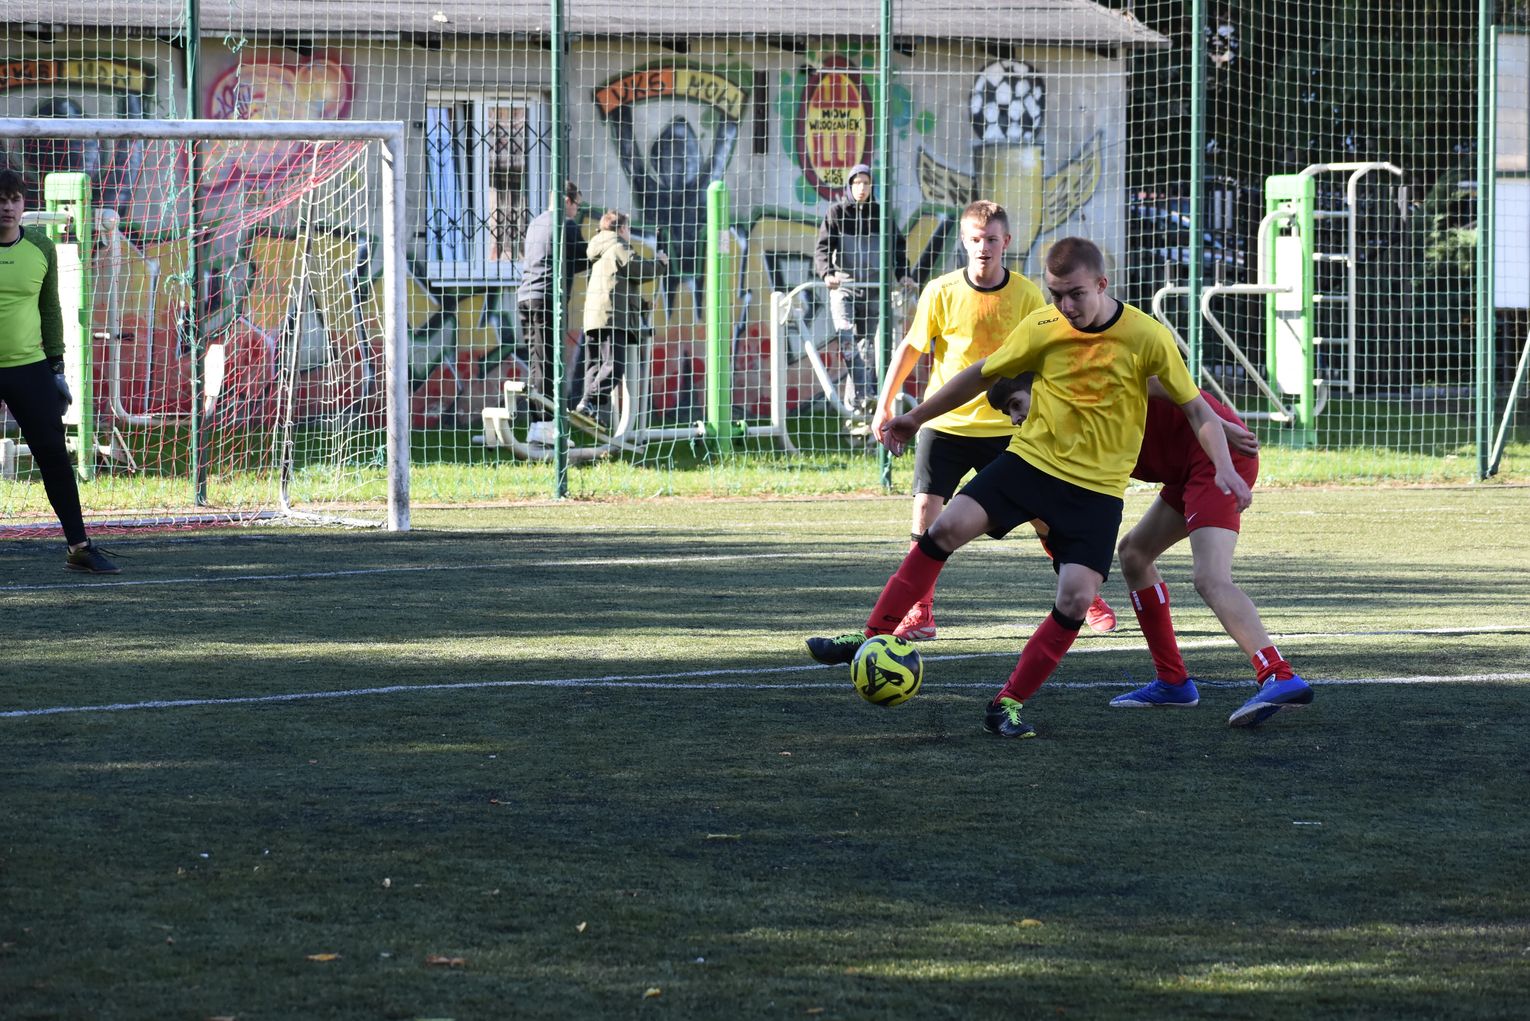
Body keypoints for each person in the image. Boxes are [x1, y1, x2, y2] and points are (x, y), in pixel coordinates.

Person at [805, 237, 1253, 740]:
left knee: (1076, 599)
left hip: (1097, 492)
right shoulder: (1043, 326)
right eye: (1056, 294)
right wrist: (915, 417)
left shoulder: (1147, 336)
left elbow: (1195, 408)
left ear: (1102, 284)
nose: (1066, 305)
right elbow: (979, 375)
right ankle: (870, 636)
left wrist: (1224, 467)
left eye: (1076, 294)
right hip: (1030, 464)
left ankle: (1008, 703)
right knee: (944, 528)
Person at [988, 374, 1313, 727]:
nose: (1015, 419)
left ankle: (1278, 673)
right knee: (1134, 555)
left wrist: (1220, 427)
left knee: (1210, 577)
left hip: (1219, 456)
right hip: (1186, 468)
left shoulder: (1085, 389)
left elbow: (1158, 383)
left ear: (1038, 388)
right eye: (1008, 413)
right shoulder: (1055, 430)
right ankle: (1173, 681)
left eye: (1016, 404)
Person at [869, 199, 1116, 642]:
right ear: (965, 242)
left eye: (992, 239)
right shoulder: (940, 291)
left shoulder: (1027, 294)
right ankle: (920, 611)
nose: (984, 247)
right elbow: (911, 347)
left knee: (1043, 516)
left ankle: (1086, 595)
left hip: (1008, 427)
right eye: (976, 239)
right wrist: (885, 404)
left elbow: (1046, 354)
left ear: (1007, 242)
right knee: (926, 510)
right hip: (947, 424)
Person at [0, 168, 118, 574]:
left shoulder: (41, 246)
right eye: (0, 200)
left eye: (14, 199)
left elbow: (49, 308)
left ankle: (79, 547)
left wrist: (56, 368)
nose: (7, 207)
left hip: (29, 368)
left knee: (53, 456)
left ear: (23, 204)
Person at [813, 163, 916, 413]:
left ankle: (856, 412)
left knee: (866, 347)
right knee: (846, 336)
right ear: (849, 186)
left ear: (872, 186)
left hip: (874, 290)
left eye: (866, 183)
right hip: (845, 288)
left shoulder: (881, 215)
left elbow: (898, 248)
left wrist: (904, 274)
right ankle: (865, 394)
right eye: (857, 183)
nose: (861, 188)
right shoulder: (836, 213)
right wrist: (827, 273)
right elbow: (822, 248)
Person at [572, 211, 668, 433]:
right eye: (628, 229)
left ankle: (587, 407)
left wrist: (642, 305)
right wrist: (660, 263)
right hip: (612, 319)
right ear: (622, 228)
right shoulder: (617, 246)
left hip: (594, 318)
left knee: (595, 366)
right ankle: (588, 401)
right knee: (614, 366)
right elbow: (640, 269)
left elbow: (617, 283)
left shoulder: (600, 249)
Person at [516, 181, 590, 450]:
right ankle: (546, 427)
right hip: (547, 299)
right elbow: (586, 256)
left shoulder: (536, 224)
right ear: (567, 200)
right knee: (548, 363)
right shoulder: (565, 225)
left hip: (526, 296)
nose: (577, 211)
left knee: (537, 361)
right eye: (577, 205)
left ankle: (538, 425)